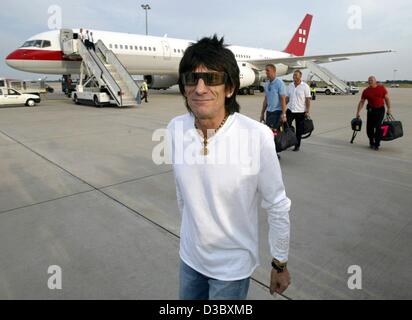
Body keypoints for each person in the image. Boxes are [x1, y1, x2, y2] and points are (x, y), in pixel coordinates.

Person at [166, 35, 291, 300]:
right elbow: (183, 194)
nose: (200, 88)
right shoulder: (175, 128)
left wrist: (279, 262)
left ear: (230, 88)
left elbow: (277, 204)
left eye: (211, 79)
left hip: (231, 269)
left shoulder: (256, 136)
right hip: (190, 260)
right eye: (191, 79)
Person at [355, 76, 392, 150]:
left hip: (380, 110)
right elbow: (362, 101)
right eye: (369, 80)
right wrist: (358, 112)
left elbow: (387, 98)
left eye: (371, 80)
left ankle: (377, 144)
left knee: (378, 127)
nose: (370, 81)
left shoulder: (381, 88)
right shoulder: (366, 91)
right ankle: (371, 142)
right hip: (371, 110)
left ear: (375, 81)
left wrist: (389, 108)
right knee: (369, 128)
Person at [260, 64, 287, 158]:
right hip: (269, 112)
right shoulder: (267, 84)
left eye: (268, 70)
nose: (266, 72)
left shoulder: (279, 83)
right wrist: (262, 113)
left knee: (275, 132)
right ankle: (271, 150)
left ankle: (276, 152)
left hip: (277, 112)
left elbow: (283, 99)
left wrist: (283, 114)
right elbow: (266, 99)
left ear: (274, 72)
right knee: (269, 132)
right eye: (265, 70)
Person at [286, 70, 311, 151]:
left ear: (300, 76)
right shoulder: (290, 85)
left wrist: (307, 111)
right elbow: (287, 98)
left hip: (300, 111)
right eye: (293, 75)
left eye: (296, 75)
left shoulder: (305, 86)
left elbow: (307, 99)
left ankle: (297, 145)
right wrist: (282, 108)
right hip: (290, 110)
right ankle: (290, 140)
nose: (294, 77)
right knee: (286, 126)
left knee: (299, 130)